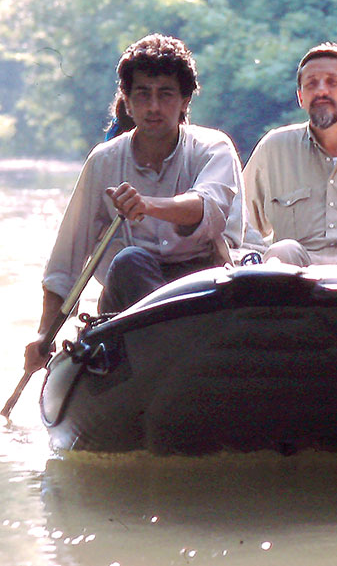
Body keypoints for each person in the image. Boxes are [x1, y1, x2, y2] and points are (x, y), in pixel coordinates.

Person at [24, 34, 244, 373]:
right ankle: (182, 360)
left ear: (185, 101)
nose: (153, 107)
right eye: (142, 94)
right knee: (130, 262)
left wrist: (149, 205)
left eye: (166, 94)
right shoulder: (104, 161)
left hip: (198, 292)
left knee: (209, 282)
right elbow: (66, 263)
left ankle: (193, 358)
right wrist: (44, 333)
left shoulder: (213, 148)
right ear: (126, 101)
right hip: (128, 300)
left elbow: (207, 209)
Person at [243, 42, 337, 272]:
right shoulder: (274, 149)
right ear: (301, 97)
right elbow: (243, 226)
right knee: (282, 252)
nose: (322, 91)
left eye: (332, 82)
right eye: (312, 84)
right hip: (297, 273)